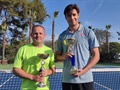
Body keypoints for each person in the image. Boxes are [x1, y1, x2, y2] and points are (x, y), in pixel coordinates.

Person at [55, 4, 100, 90]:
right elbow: (57, 57)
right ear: (65, 17)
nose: (72, 18)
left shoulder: (88, 33)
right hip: (68, 80)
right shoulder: (62, 36)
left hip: (86, 80)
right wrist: (63, 57)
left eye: (74, 14)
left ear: (78, 15)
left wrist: (84, 71)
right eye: (69, 15)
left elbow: (96, 55)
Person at [13, 25, 56, 90]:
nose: (38, 35)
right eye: (35, 33)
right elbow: (16, 70)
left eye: (40, 33)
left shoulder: (49, 51)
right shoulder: (23, 49)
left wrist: (47, 72)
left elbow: (53, 69)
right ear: (31, 35)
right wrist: (32, 77)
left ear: (44, 35)